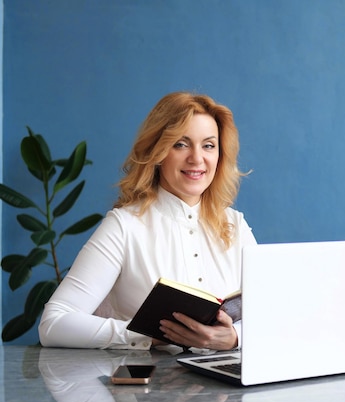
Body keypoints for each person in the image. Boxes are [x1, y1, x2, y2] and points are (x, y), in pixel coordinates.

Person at [38, 92, 256, 350]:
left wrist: (235, 337)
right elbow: (53, 324)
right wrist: (144, 335)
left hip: (229, 384)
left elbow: (278, 313)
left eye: (208, 145)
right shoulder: (124, 226)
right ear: (158, 152)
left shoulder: (235, 225)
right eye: (181, 144)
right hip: (149, 386)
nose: (197, 159)